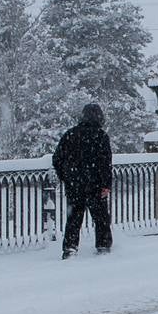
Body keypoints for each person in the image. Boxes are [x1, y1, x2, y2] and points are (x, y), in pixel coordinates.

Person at [52, 103, 113, 258]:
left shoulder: (70, 134)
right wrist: (106, 184)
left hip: (75, 185)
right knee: (101, 218)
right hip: (95, 185)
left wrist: (66, 177)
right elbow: (105, 163)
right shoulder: (101, 136)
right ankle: (103, 245)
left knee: (74, 217)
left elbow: (57, 159)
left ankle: (70, 248)